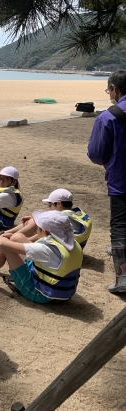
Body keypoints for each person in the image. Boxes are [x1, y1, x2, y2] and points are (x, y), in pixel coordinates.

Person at [0, 210, 83, 303]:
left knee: (5, 249)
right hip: (63, 293)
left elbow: (2, 244)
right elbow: (35, 246)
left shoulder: (46, 250)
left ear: (45, 231)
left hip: (41, 294)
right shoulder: (73, 244)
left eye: (37, 228)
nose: (36, 230)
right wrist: (11, 239)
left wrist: (1, 238)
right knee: (17, 237)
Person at [87, 70, 126, 293]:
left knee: (120, 225)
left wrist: (106, 160)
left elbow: (96, 153)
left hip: (121, 179)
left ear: (114, 89)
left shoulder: (108, 117)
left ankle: (123, 278)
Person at [0, 188, 92, 249]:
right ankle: (5, 233)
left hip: (63, 248)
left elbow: (43, 234)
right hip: (74, 246)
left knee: (36, 223)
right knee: (34, 220)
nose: (49, 207)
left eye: (50, 205)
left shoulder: (64, 217)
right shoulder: (75, 213)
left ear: (59, 203)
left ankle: (10, 238)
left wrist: (26, 240)